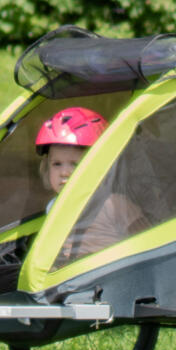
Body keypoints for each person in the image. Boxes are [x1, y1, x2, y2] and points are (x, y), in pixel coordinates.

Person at [36, 106, 146, 262]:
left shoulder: (114, 204)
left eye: (74, 164)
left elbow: (148, 245)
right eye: (57, 164)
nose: (64, 172)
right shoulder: (54, 207)